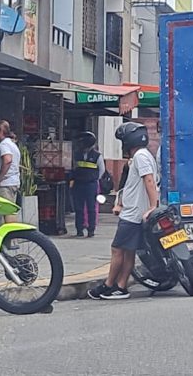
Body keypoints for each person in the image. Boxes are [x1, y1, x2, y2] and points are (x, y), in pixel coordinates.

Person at [88, 122, 159, 301]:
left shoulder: (141, 157)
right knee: (128, 251)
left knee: (117, 249)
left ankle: (109, 285)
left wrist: (153, 206)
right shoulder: (144, 155)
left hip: (133, 213)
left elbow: (149, 181)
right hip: (133, 210)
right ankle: (121, 286)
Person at [69, 131, 107, 238]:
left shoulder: (97, 156)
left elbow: (102, 171)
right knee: (79, 208)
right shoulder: (77, 154)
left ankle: (91, 230)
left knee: (91, 208)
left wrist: (93, 179)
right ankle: (79, 229)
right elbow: (73, 168)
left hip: (91, 185)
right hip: (79, 184)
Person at [0, 120, 21, 224]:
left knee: (7, 213)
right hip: (12, 182)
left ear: (0, 131)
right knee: (9, 212)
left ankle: (11, 237)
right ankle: (9, 239)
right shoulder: (12, 144)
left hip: (4, 185)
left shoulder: (4, 144)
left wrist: (0, 178)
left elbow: (7, 160)